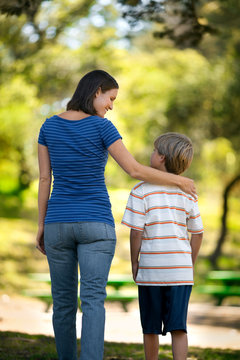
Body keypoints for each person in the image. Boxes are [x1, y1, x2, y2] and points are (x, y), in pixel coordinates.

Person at [36, 70, 197, 360]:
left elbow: (45, 180)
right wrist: (180, 180)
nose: (111, 106)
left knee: (62, 303)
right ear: (97, 91)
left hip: (57, 223)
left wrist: (41, 225)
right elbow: (134, 169)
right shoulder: (102, 127)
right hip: (96, 224)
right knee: (93, 299)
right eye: (111, 98)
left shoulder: (48, 127)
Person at [122, 132, 203, 360]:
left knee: (150, 328)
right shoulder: (188, 193)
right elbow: (197, 234)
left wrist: (134, 262)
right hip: (180, 272)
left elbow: (136, 232)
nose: (151, 153)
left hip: (151, 272)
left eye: (154, 150)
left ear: (161, 158)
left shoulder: (140, 191)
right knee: (179, 327)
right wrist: (189, 263)